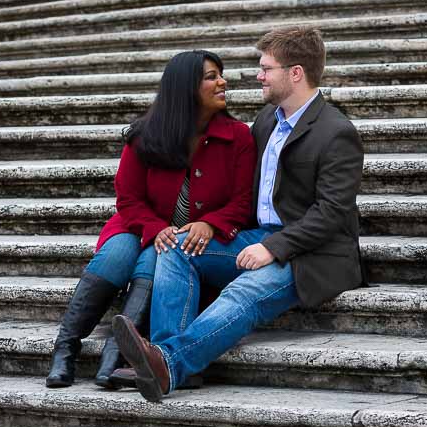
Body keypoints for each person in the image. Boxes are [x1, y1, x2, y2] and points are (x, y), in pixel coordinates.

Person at [112, 25, 365, 402]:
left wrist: (274, 248)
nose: (257, 76)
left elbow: (330, 214)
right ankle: (167, 362)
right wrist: (210, 224)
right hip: (256, 236)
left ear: (295, 73)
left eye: (266, 68)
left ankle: (168, 363)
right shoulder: (266, 120)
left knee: (244, 289)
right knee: (178, 246)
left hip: (312, 254)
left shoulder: (336, 131)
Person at [46, 50, 255, 389]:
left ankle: (114, 358)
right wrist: (155, 228)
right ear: (186, 86)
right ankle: (66, 348)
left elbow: (242, 201)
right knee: (117, 256)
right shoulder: (146, 135)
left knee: (153, 259)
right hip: (138, 224)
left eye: (221, 74)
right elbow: (127, 198)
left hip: (185, 240)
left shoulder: (238, 137)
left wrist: (211, 223)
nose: (222, 82)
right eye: (211, 76)